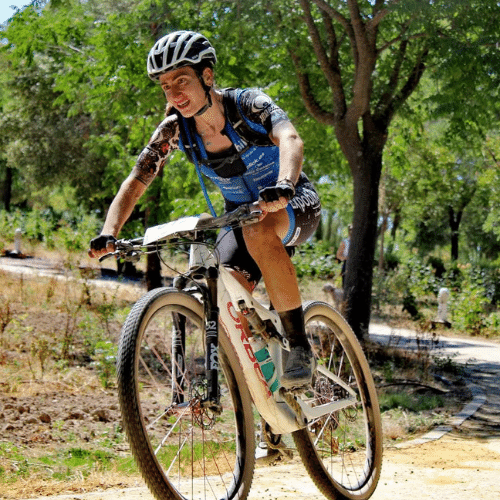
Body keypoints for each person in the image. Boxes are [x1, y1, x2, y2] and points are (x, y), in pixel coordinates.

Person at [88, 30, 321, 390]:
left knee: (259, 231)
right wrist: (110, 232)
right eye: (166, 86)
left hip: (293, 201)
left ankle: (300, 346)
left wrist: (285, 184)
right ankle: (268, 400)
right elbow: (136, 181)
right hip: (240, 218)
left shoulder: (248, 105)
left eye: (181, 80)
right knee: (221, 298)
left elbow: (290, 138)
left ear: (207, 76)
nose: (174, 93)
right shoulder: (174, 131)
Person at [336, 224, 352, 288]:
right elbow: (338, 255)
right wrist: (348, 258)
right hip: (347, 264)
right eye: (351, 229)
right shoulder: (345, 242)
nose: (352, 231)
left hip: (357, 265)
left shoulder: (359, 242)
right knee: (345, 286)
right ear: (349, 231)